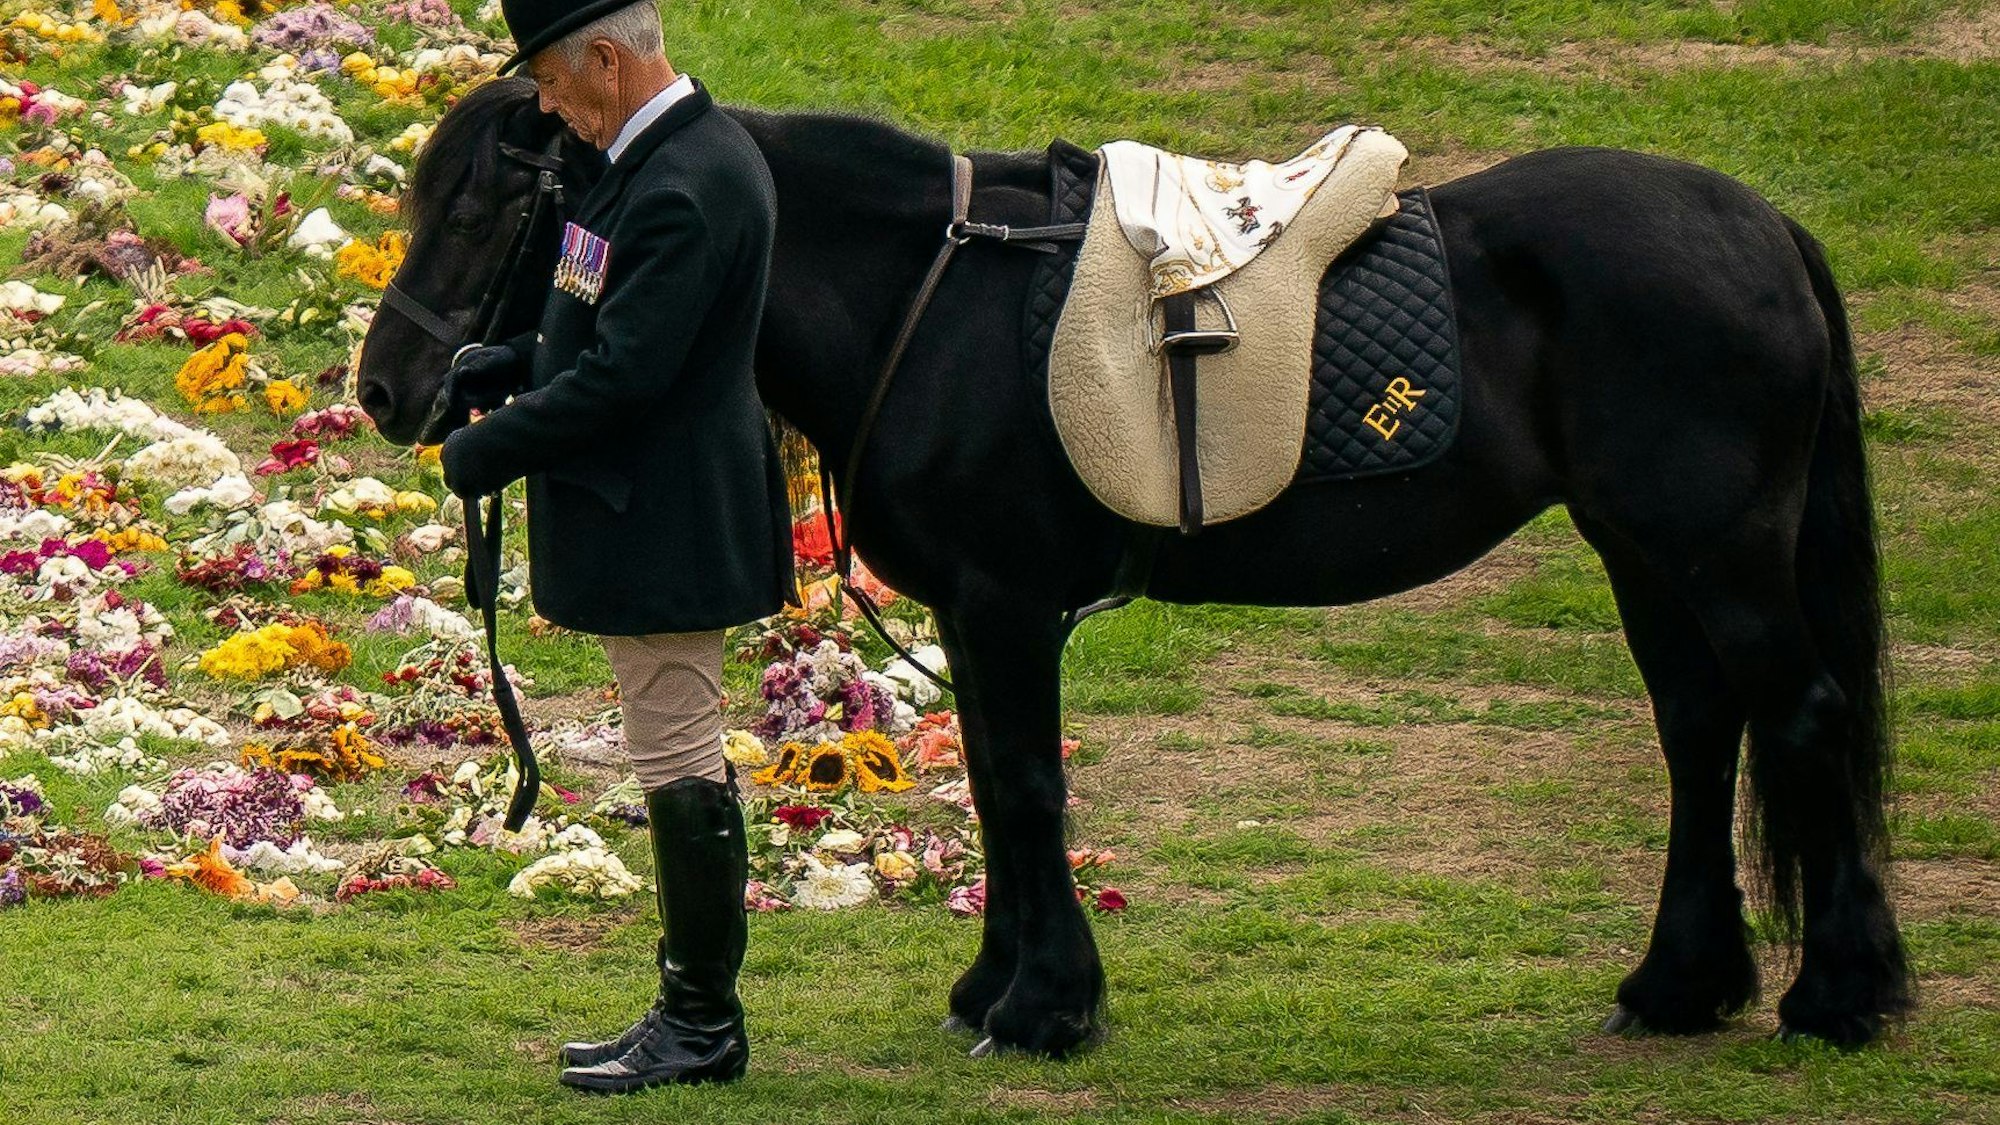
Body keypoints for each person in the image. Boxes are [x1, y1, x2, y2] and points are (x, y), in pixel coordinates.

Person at [437, 0, 793, 1094]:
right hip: (650, 506)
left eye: (548, 82)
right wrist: (506, 361)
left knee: (679, 756)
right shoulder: (642, 162)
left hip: (670, 514)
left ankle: (700, 1020)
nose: (545, 105)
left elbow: (628, 376)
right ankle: (690, 1009)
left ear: (604, 59)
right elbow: (589, 315)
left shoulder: (687, 183)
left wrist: (485, 451)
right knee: (665, 748)